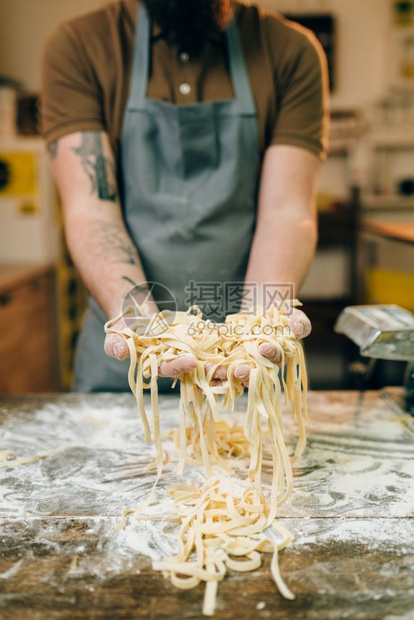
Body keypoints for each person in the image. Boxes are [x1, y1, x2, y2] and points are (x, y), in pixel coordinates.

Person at [41, 0, 329, 392]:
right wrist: (139, 325)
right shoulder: (81, 45)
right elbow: (92, 210)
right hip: (125, 352)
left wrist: (262, 322)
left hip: (246, 362)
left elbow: (287, 210)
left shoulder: (290, 50)